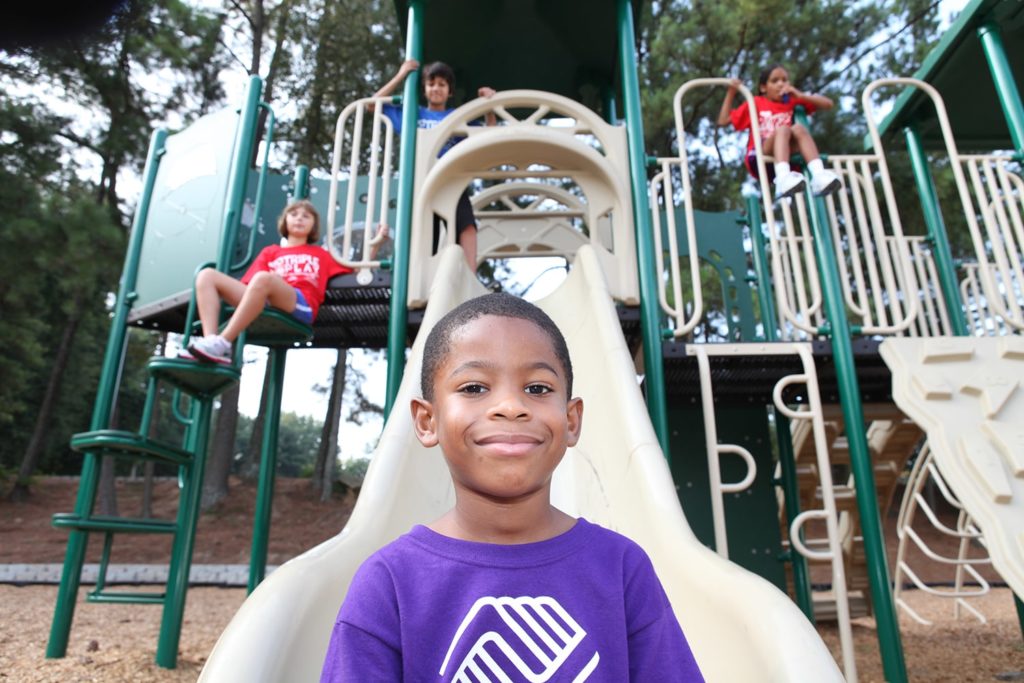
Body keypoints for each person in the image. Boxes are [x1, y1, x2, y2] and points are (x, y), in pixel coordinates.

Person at [320, 293, 705, 681]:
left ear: (571, 421)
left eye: (537, 389)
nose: (509, 405)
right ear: (426, 420)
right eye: (473, 388)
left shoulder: (621, 568)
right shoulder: (389, 581)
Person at [183, 199, 387, 365]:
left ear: (313, 226)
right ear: (285, 221)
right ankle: (210, 341)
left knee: (264, 279)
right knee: (207, 275)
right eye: (294, 214)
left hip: (299, 303)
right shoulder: (271, 252)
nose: (299, 218)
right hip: (265, 298)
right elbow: (250, 286)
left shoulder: (321, 254)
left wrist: (376, 244)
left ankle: (223, 342)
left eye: (306, 216)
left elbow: (358, 270)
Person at [373, 59, 496, 270]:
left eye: (442, 84)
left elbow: (488, 134)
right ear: (424, 89)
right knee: (425, 235)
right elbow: (372, 104)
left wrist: (489, 106)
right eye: (431, 84)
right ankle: (422, 276)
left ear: (449, 91)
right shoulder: (412, 113)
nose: (436, 88)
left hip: (449, 180)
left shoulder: (456, 117)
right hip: (420, 181)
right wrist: (401, 74)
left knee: (466, 227)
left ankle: (469, 276)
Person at [717, 64, 842, 200]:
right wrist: (731, 92)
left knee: (799, 129)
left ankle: (819, 176)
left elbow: (828, 104)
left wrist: (801, 95)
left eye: (784, 80)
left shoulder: (791, 101)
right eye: (775, 81)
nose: (781, 84)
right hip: (761, 154)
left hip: (785, 154)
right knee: (783, 129)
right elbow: (723, 120)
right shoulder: (757, 102)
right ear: (763, 87)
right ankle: (782, 179)